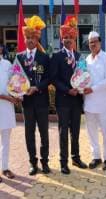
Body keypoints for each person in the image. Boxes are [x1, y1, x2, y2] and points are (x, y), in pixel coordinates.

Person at [51, 16, 87, 174]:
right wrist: (67, 90)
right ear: (61, 38)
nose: (68, 39)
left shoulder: (79, 57)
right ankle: (63, 162)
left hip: (77, 100)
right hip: (63, 100)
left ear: (75, 38)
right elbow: (54, 78)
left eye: (70, 37)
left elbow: (84, 75)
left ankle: (76, 157)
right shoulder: (57, 56)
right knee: (63, 131)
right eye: (65, 37)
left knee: (76, 130)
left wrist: (82, 87)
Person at [16, 16, 50, 175]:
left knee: (44, 132)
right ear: (25, 38)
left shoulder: (44, 57)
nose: (30, 40)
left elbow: (49, 77)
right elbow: (14, 78)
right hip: (27, 103)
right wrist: (17, 91)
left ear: (37, 38)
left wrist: (37, 87)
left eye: (33, 37)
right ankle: (32, 163)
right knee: (29, 133)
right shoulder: (19, 57)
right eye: (27, 38)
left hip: (42, 100)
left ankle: (45, 162)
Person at [84, 31, 106, 170]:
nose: (93, 44)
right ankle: (96, 156)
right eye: (91, 42)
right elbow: (83, 77)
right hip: (89, 102)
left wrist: (93, 89)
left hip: (104, 102)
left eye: (95, 41)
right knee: (91, 132)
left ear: (100, 42)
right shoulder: (86, 59)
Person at [0, 56, 17, 181]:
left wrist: (17, 94)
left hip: (6, 109)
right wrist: (9, 98)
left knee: (6, 142)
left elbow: (14, 81)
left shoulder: (7, 64)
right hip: (5, 102)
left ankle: (5, 168)